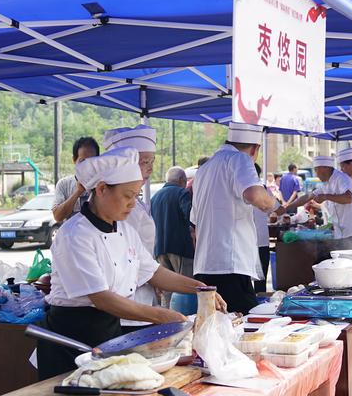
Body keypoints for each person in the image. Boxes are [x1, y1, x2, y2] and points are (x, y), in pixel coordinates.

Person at [38, 147, 225, 380]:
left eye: (136, 196)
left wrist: (200, 288)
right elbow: (102, 298)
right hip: (72, 338)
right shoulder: (74, 235)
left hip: (108, 333)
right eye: (127, 196)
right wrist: (162, 315)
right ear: (102, 189)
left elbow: (154, 273)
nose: (132, 204)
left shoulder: (125, 229)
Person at [190, 123, 285, 313]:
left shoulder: (205, 168)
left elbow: (194, 223)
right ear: (255, 149)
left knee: (218, 328)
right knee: (241, 325)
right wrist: (276, 206)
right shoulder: (239, 159)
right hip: (229, 263)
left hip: (205, 265)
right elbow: (256, 196)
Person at [103, 125, 158, 329]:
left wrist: (199, 288)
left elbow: (145, 262)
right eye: (144, 162)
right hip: (123, 309)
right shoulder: (81, 232)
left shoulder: (135, 205)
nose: (149, 168)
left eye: (152, 161)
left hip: (140, 295)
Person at [287, 155, 352, 242]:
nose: (316, 174)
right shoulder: (326, 183)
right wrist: (288, 206)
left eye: (316, 170)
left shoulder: (341, 179)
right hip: (341, 233)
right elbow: (308, 196)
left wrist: (325, 196)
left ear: (326, 168)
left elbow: (348, 198)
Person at [151, 166, 194, 308]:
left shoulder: (155, 197)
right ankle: (184, 320)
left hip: (159, 249)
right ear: (181, 180)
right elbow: (190, 216)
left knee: (167, 289)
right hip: (180, 247)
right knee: (185, 286)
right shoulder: (182, 193)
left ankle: (167, 320)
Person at [52, 137, 100, 223]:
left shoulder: (104, 184)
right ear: (74, 160)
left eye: (92, 161)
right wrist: (78, 192)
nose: (88, 165)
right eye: (83, 160)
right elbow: (58, 217)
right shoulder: (64, 184)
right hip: (70, 235)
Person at [253, 164, 271, 293]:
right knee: (260, 279)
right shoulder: (264, 190)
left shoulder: (239, 190)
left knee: (253, 279)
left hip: (252, 241)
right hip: (260, 240)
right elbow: (274, 210)